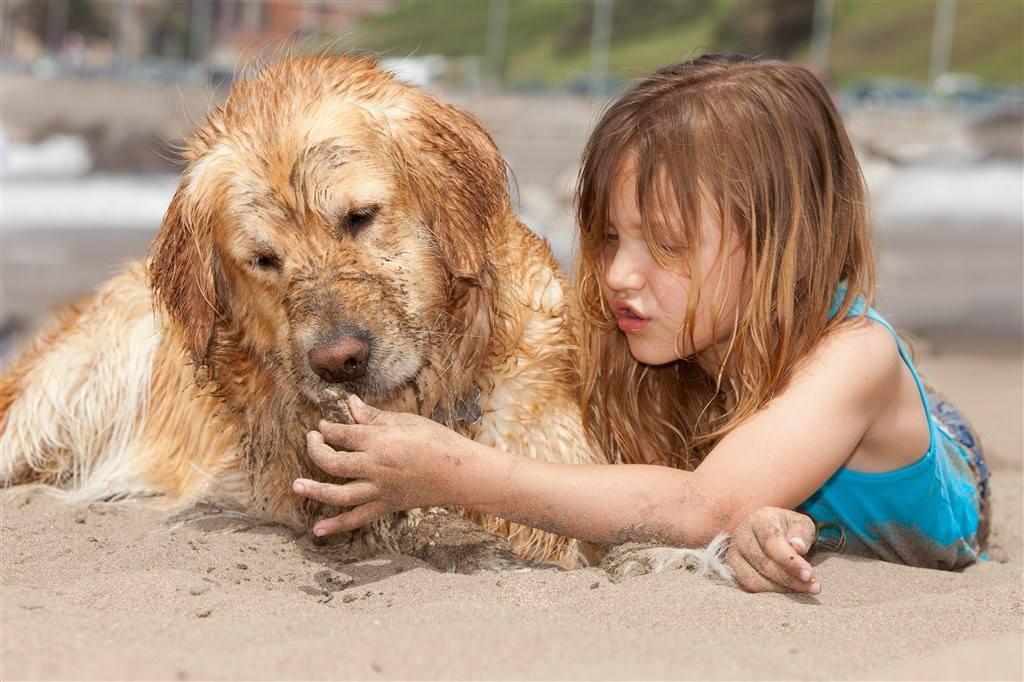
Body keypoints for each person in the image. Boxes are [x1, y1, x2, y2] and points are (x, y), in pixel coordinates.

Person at [291, 54, 990, 593]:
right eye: (609, 237)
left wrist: (455, 472)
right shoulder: (651, 337)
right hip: (759, 440)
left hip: (947, 472)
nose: (621, 273)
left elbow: (701, 508)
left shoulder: (855, 357)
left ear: (787, 242)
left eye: (667, 244)